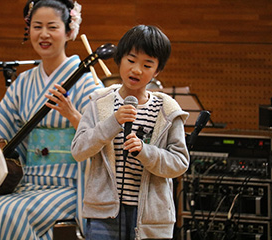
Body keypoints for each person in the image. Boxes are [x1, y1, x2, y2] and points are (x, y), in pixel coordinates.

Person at [0, 0, 104, 239]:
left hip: (70, 186)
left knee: (8, 215)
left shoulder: (86, 81)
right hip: (29, 184)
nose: (44, 34)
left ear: (69, 31)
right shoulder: (24, 83)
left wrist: (73, 115)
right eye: (37, 26)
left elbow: (99, 135)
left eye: (52, 27)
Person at [71, 25, 190, 240]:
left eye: (147, 64)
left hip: (151, 215)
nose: (136, 69)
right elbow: (79, 150)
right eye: (131, 60)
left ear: (157, 71)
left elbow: (180, 163)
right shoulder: (99, 102)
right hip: (104, 213)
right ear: (120, 60)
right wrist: (113, 122)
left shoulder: (167, 110)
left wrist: (145, 152)